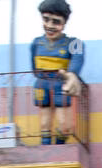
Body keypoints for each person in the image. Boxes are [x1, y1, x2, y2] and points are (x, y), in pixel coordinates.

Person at [31, 0, 83, 145]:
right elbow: (34, 67)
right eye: (46, 19)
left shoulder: (74, 43)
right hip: (42, 82)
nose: (50, 25)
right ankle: (46, 148)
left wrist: (71, 74)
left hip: (61, 84)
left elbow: (78, 59)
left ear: (64, 23)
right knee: (44, 122)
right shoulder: (36, 43)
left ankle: (59, 146)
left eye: (56, 22)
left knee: (64, 125)